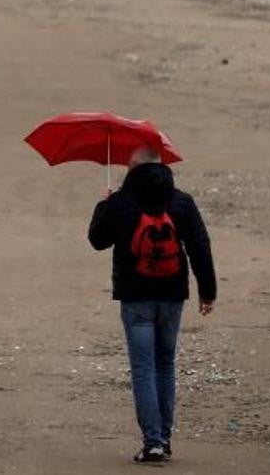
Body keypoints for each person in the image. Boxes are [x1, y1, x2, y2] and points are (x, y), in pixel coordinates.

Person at [88, 146, 217, 464]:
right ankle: (165, 439)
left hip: (136, 298)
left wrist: (103, 205)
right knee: (165, 365)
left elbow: (97, 240)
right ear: (163, 166)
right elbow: (200, 246)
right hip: (173, 296)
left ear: (132, 167)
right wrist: (207, 291)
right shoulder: (181, 201)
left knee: (144, 369)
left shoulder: (120, 202)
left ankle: (154, 443)